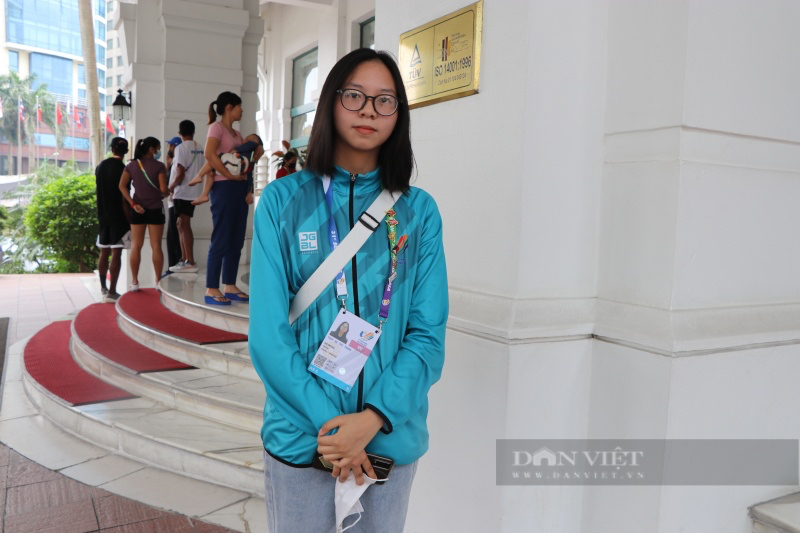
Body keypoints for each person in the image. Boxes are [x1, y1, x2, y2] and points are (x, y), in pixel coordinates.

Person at [249, 48, 448, 532]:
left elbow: (427, 334)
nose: (368, 110)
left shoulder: (418, 212)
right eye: (355, 95)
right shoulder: (282, 201)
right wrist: (333, 429)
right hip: (303, 441)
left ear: (399, 115)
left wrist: (374, 418)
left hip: (386, 443)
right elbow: (269, 338)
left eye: (385, 101)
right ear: (332, 103)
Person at [202, 91, 251, 306]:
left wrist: (247, 187)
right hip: (223, 188)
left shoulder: (238, 135)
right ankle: (212, 287)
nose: (242, 110)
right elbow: (209, 154)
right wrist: (229, 174)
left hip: (239, 189)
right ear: (230, 107)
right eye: (240, 106)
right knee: (221, 238)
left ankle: (229, 284)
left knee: (236, 238)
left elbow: (244, 162)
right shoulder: (217, 128)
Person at [118, 136, 168, 291]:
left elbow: (122, 186)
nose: (159, 151)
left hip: (137, 209)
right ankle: (158, 282)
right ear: (152, 149)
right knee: (156, 246)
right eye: (158, 148)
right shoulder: (159, 166)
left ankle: (134, 282)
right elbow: (163, 190)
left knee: (136, 246)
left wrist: (133, 203)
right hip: (155, 209)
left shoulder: (131, 165)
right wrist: (168, 191)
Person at [95, 137, 130, 303]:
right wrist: (129, 218)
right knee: (117, 252)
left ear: (112, 149)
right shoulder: (124, 169)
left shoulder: (100, 167)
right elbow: (124, 197)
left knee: (104, 251)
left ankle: (103, 287)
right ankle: (112, 291)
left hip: (103, 215)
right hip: (118, 216)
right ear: (125, 151)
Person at [188, 133, 264, 207]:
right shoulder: (252, 160)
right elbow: (250, 176)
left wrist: (236, 150)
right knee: (211, 171)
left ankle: (199, 175)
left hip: (238, 163)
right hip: (239, 169)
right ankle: (204, 195)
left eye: (247, 138)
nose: (244, 139)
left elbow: (245, 147)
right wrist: (249, 192)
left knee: (214, 159)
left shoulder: (252, 144)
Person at [168, 121, 204, 273]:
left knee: (184, 224)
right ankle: (184, 259)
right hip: (195, 190)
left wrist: (170, 187)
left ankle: (190, 260)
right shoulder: (199, 147)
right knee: (180, 224)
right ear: (194, 131)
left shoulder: (181, 148)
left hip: (183, 192)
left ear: (179, 133)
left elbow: (180, 172)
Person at [164, 136, 184, 272]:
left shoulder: (179, 161)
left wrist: (170, 189)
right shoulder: (172, 162)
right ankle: (173, 264)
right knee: (171, 234)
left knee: (175, 234)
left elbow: (180, 177)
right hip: (171, 202)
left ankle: (176, 263)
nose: (168, 148)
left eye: (170, 146)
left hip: (176, 200)